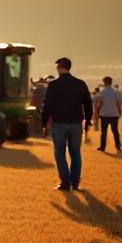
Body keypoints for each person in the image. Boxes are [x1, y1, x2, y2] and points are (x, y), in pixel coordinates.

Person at [41, 57, 93, 191]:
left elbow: (47, 106)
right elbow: (88, 105)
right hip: (76, 124)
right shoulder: (80, 84)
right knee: (75, 152)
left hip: (59, 124)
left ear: (59, 68)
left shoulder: (53, 85)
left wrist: (44, 123)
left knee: (59, 152)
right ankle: (75, 182)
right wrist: (88, 122)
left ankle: (65, 182)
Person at [96, 76, 122, 152]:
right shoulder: (116, 92)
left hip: (104, 114)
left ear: (104, 82)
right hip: (114, 114)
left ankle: (102, 147)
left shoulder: (102, 92)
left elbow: (97, 100)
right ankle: (118, 145)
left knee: (103, 132)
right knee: (115, 131)